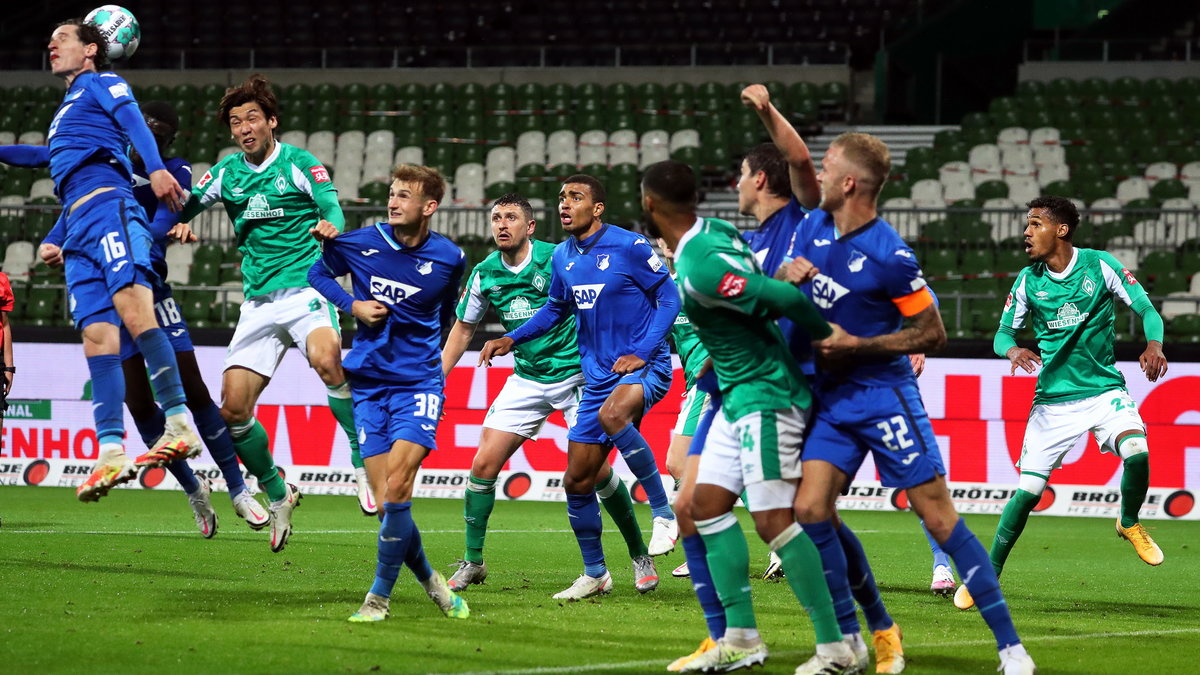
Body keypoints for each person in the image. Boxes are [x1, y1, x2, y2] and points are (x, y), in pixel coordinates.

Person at [780, 132, 1035, 674]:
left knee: (939, 519)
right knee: (810, 511)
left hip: (884, 396)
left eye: (827, 169)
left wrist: (860, 345)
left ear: (849, 183)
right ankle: (854, 639)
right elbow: (798, 180)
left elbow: (932, 333)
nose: (817, 177)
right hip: (832, 398)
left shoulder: (890, 254)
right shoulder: (813, 226)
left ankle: (1012, 650)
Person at [642, 159, 856, 674]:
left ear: (649, 204)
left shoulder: (699, 262)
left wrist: (828, 339)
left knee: (775, 521)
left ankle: (836, 649)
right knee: (700, 505)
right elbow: (764, 286)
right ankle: (740, 638)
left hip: (766, 394)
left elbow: (780, 296)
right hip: (733, 395)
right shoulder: (716, 231)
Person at [37, 101, 269, 535]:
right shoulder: (111, 162)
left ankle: (239, 489)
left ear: (169, 138)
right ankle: (194, 489)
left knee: (194, 391)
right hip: (109, 295)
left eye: (160, 128)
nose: (151, 131)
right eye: (146, 124)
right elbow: (72, 213)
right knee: (140, 402)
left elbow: (164, 220)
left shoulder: (177, 171)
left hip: (149, 288)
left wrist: (135, 234)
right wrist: (54, 243)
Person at [1, 18, 201, 502]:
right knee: (97, 337)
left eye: (62, 38)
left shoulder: (102, 81)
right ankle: (110, 451)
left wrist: (155, 169)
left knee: (134, 309)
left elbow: (133, 118)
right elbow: (43, 156)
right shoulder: (68, 108)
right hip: (77, 226)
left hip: (110, 204)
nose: (51, 43)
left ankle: (178, 423)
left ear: (91, 49)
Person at [171, 75, 361, 551]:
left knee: (328, 362)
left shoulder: (298, 163)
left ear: (272, 122)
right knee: (233, 410)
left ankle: (363, 462)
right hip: (257, 303)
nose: (244, 128)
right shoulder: (225, 173)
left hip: (305, 290)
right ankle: (279, 492)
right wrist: (178, 225)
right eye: (236, 122)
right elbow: (185, 207)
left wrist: (328, 225)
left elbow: (333, 209)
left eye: (252, 117)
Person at [954, 196, 1167, 610]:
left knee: (1137, 452)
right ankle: (986, 574)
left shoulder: (1098, 264)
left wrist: (1154, 343)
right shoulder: (1027, 281)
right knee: (1028, 492)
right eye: (1027, 224)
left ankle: (1128, 521)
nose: (1026, 232)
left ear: (1061, 230)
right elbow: (1001, 335)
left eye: (1035, 224)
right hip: (1052, 403)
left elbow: (1145, 308)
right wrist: (1012, 351)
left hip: (1104, 390)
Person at [479, 175, 677, 600]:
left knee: (613, 414)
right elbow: (555, 308)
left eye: (576, 197)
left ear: (598, 207)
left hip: (645, 366)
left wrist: (644, 350)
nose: (565, 205)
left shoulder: (630, 246)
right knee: (577, 480)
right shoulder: (564, 257)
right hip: (599, 376)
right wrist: (513, 338)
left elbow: (670, 298)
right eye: (562, 198)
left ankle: (664, 513)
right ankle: (595, 573)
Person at [441, 193, 649, 592]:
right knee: (483, 466)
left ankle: (639, 554)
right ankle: (473, 561)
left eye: (511, 218)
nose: (502, 225)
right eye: (496, 218)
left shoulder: (559, 258)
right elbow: (463, 329)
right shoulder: (485, 273)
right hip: (528, 378)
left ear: (530, 227)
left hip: (579, 377)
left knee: (595, 473)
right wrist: (437, 381)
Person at [307, 164, 468, 622]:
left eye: (403, 195)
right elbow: (317, 275)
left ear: (428, 207)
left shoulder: (450, 257)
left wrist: (424, 357)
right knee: (386, 502)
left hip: (419, 383)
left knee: (398, 485)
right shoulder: (359, 242)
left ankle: (377, 598)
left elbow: (446, 313)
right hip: (370, 385)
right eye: (391, 193)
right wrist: (351, 304)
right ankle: (434, 583)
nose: (393, 201)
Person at [654, 237, 711, 581]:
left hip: (715, 382)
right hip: (695, 384)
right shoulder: (667, 289)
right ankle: (785, 540)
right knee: (727, 472)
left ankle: (700, 550)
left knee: (677, 462)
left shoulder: (704, 279)